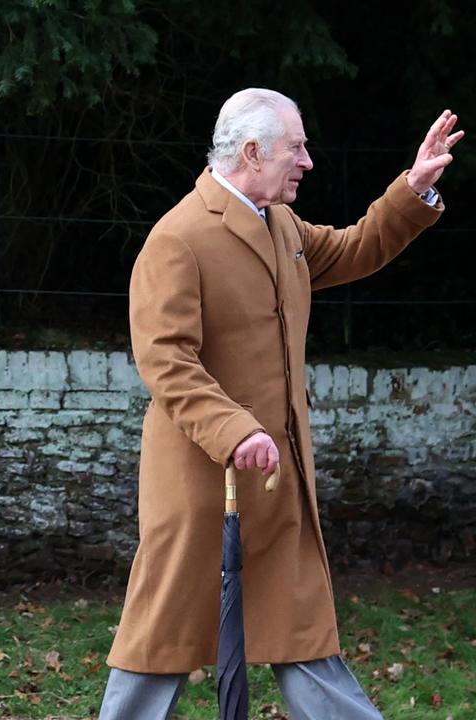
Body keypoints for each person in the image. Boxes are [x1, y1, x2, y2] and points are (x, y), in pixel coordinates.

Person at [100, 89, 461, 719]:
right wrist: (235, 431)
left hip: (276, 483)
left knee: (303, 639)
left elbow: (355, 248)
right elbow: (166, 361)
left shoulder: (283, 225)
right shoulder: (178, 238)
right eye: (296, 147)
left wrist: (413, 187)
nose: (308, 161)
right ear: (251, 151)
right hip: (202, 492)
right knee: (159, 647)